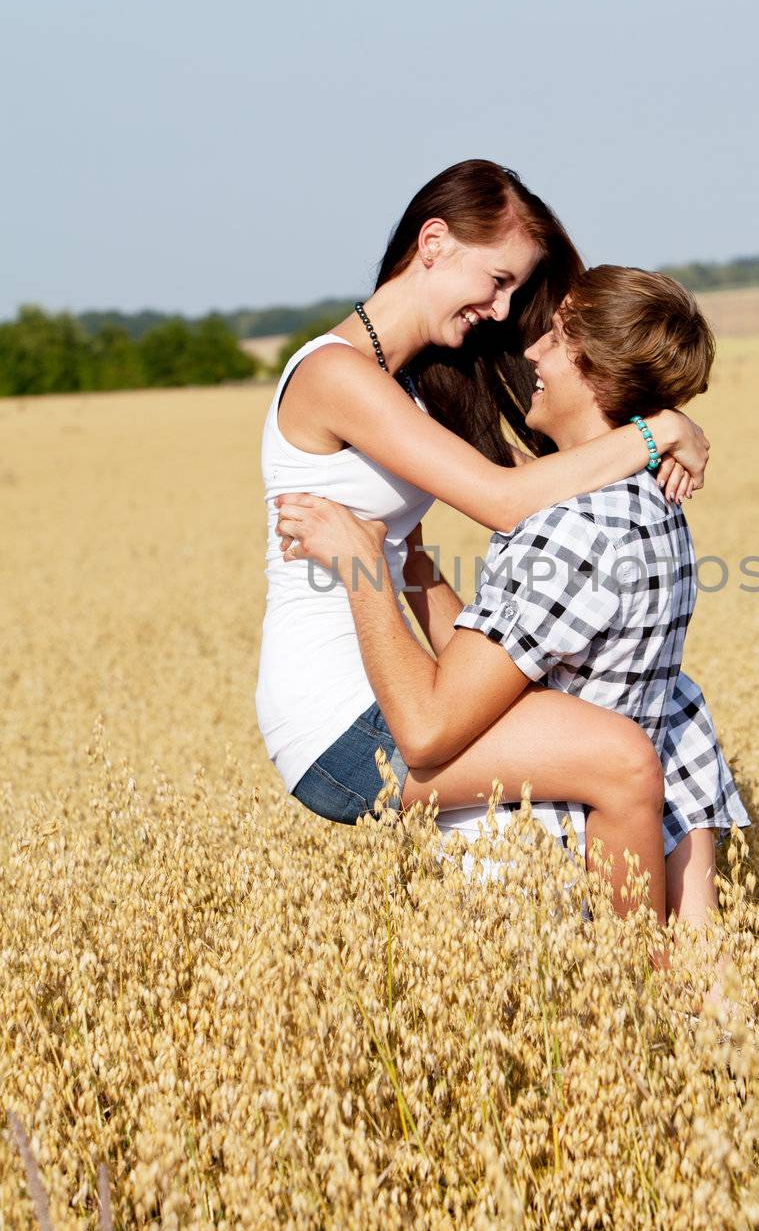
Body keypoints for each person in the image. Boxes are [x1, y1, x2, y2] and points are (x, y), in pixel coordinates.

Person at [257, 161, 711, 924]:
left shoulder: (410, 383)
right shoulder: (335, 374)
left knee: (674, 721)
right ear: (432, 243)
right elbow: (503, 503)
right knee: (622, 760)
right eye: (497, 280)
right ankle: (642, 985)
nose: (502, 311)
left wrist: (414, 571)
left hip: (395, 681)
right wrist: (654, 429)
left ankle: (690, 980)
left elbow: (495, 514)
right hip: (339, 719)